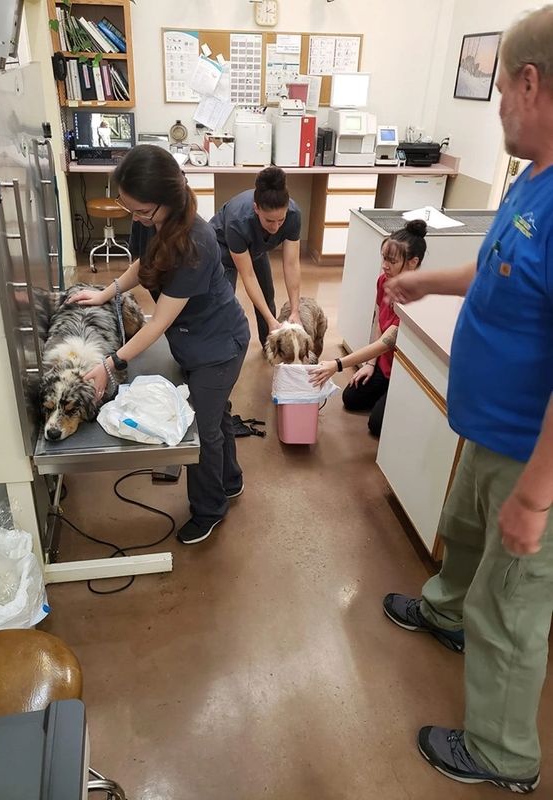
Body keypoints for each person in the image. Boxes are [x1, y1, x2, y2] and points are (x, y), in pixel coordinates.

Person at [382, 6, 553, 793]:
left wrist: (536, 497)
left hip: (533, 455)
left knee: (513, 607)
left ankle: (502, 754)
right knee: (461, 535)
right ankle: (446, 613)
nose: (497, 114)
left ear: (528, 82)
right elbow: (494, 274)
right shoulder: (531, 175)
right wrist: (425, 277)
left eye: (498, 98)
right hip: (491, 430)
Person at [68, 145, 250, 546]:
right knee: (215, 414)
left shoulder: (197, 243)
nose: (135, 218)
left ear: (167, 201)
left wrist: (110, 364)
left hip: (219, 345)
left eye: (141, 212)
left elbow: (160, 321)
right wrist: (106, 293)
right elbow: (144, 263)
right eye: (129, 209)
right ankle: (231, 481)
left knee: (202, 430)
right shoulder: (149, 217)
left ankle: (209, 509)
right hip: (192, 341)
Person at [309, 220, 427, 436]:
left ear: (413, 262)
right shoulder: (385, 281)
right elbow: (379, 323)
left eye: (392, 261)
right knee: (351, 399)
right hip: (385, 364)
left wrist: (337, 365)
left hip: (402, 372)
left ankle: (398, 398)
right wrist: (371, 364)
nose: (385, 265)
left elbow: (387, 342)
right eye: (384, 258)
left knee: (377, 425)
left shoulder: (416, 298)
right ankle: (385, 393)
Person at [210, 166, 302, 348]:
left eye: (280, 220)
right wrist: (270, 319)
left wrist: (295, 310)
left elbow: (291, 264)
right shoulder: (238, 221)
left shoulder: (294, 215)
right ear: (256, 209)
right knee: (224, 301)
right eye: (269, 221)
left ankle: (269, 344)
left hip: (256, 247)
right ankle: (222, 350)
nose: (276, 227)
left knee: (267, 294)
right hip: (223, 248)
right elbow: (248, 275)